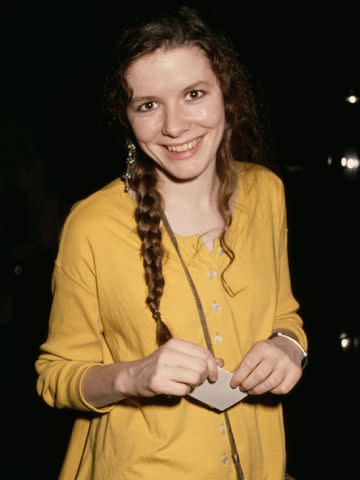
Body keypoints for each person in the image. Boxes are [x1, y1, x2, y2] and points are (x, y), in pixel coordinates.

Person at [35, 6, 308, 480]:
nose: (175, 126)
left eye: (194, 94)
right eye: (148, 105)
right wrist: (132, 376)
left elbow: (286, 316)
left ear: (226, 94)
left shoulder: (267, 193)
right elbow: (55, 375)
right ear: (127, 119)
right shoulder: (91, 224)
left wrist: (289, 347)